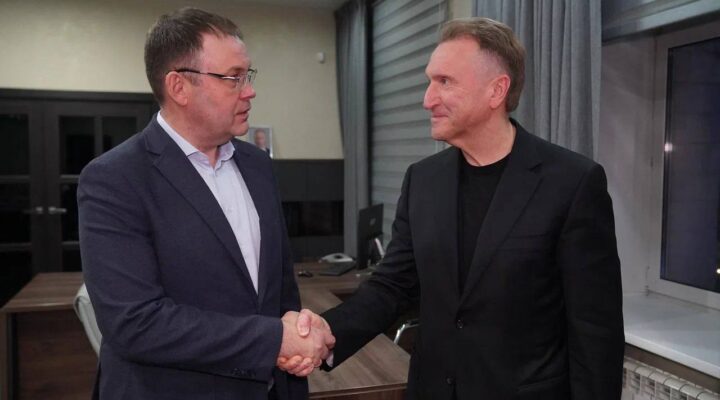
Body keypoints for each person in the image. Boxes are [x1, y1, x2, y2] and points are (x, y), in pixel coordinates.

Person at [282, 17, 624, 400]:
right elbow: (393, 286)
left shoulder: (572, 183)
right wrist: (327, 332)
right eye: (430, 81)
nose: (427, 99)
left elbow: (596, 334)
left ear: (496, 90)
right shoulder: (423, 180)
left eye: (445, 82)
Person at [78, 8, 333, 400]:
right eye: (233, 78)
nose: (249, 91)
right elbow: (135, 323)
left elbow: (280, 288)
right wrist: (274, 340)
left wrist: (298, 332)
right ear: (179, 87)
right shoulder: (114, 179)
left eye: (248, 75)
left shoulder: (257, 165)